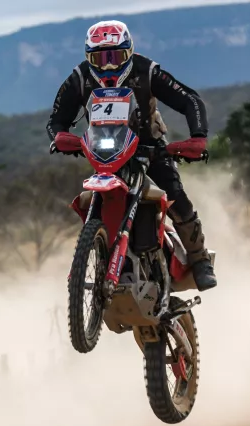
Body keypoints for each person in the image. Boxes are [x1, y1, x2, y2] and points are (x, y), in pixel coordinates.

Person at [46, 20, 217, 291]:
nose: (108, 66)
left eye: (115, 57)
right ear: (88, 58)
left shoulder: (146, 70)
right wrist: (59, 137)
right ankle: (94, 254)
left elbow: (190, 100)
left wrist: (198, 137)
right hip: (107, 151)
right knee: (91, 198)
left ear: (129, 52)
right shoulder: (80, 77)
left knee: (175, 195)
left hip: (150, 147)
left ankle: (200, 259)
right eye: (100, 59)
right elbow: (56, 119)